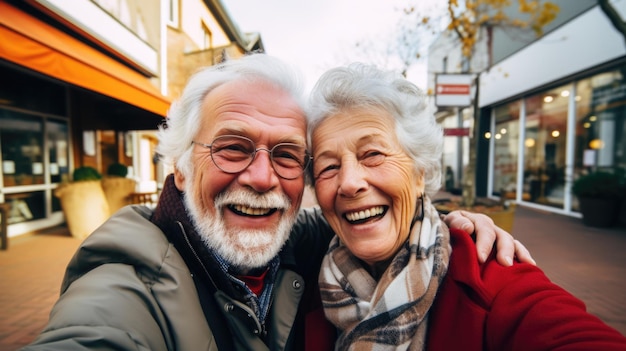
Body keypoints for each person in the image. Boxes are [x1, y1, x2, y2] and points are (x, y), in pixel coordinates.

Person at [23, 54, 531, 351]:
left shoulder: (308, 244)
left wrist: (448, 222)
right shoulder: (123, 287)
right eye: (232, 147)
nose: (263, 177)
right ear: (178, 164)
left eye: (288, 155)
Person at [308, 63, 626, 350]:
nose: (349, 183)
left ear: (420, 173)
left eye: (373, 154)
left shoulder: (489, 274)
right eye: (329, 167)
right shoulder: (304, 276)